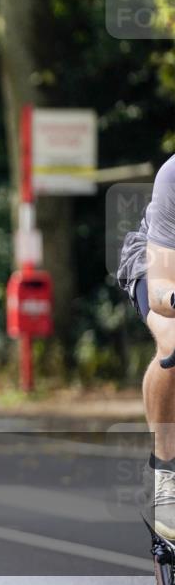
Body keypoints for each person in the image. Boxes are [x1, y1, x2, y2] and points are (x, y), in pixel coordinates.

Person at [117, 155, 175, 541]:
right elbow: (159, 291)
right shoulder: (173, 176)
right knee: (174, 339)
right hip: (159, 268)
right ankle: (164, 468)